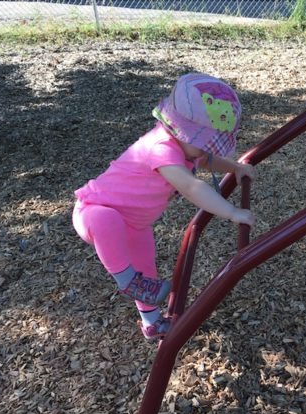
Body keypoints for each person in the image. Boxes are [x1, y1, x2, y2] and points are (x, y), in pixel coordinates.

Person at [72, 73, 256, 340]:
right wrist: (231, 212)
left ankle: (152, 322)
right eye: (204, 142)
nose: (207, 148)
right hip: (92, 211)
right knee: (107, 221)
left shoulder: (184, 146)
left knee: (147, 270)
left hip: (135, 224)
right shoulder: (160, 148)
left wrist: (236, 167)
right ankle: (126, 280)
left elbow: (206, 161)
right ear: (185, 132)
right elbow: (192, 187)